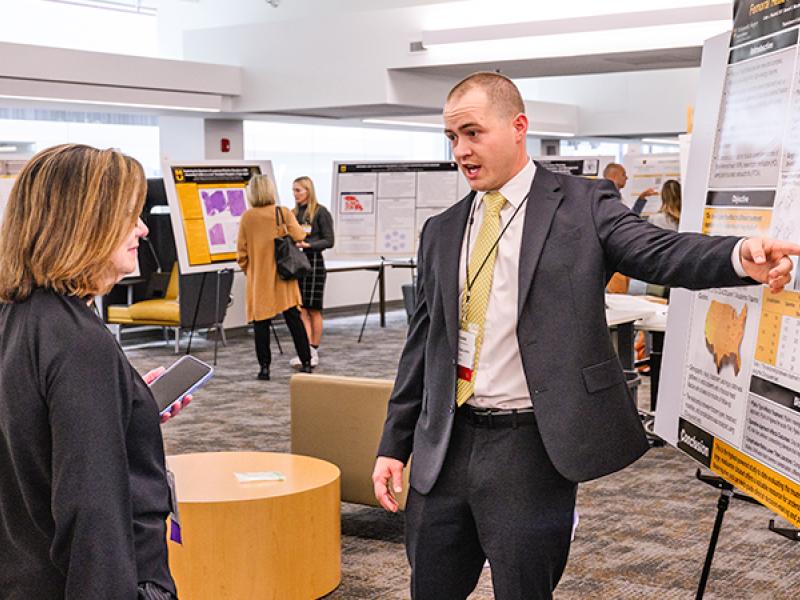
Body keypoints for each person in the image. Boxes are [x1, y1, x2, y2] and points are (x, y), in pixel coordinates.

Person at [371, 72, 800, 600]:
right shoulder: (442, 228)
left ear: (518, 127)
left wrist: (738, 257)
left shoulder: (582, 204)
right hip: (444, 447)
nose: (460, 150)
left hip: (530, 447)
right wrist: (393, 443)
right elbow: (423, 344)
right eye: (452, 138)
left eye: (473, 133)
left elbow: (659, 252)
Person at [0, 144, 189, 599]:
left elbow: (32, 435)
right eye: (128, 215)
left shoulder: (18, 317)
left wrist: (126, 404)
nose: (143, 229)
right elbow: (91, 514)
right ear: (83, 223)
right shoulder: (79, 341)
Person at [237, 173, 312, 379]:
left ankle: (264, 368)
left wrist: (251, 271)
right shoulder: (283, 212)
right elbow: (299, 236)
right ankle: (306, 362)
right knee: (294, 320)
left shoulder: (247, 217)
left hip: (259, 280)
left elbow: (241, 254)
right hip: (283, 278)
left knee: (261, 325)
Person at [289, 176, 334, 369]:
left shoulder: (320, 212)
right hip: (296, 264)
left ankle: (313, 348)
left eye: (299, 190)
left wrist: (309, 244)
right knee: (301, 308)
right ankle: (305, 349)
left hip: (314, 262)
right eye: (293, 190)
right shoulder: (291, 213)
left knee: (314, 308)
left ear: (308, 191)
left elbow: (329, 240)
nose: (295, 194)